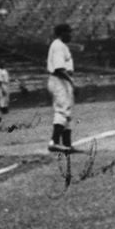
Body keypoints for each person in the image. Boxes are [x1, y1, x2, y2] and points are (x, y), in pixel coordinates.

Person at [47, 23, 75, 153]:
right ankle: (54, 141)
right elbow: (59, 69)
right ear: (61, 33)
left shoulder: (62, 46)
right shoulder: (58, 45)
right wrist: (73, 83)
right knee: (62, 110)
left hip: (63, 80)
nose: (71, 35)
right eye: (68, 32)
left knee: (67, 110)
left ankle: (67, 144)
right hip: (59, 80)